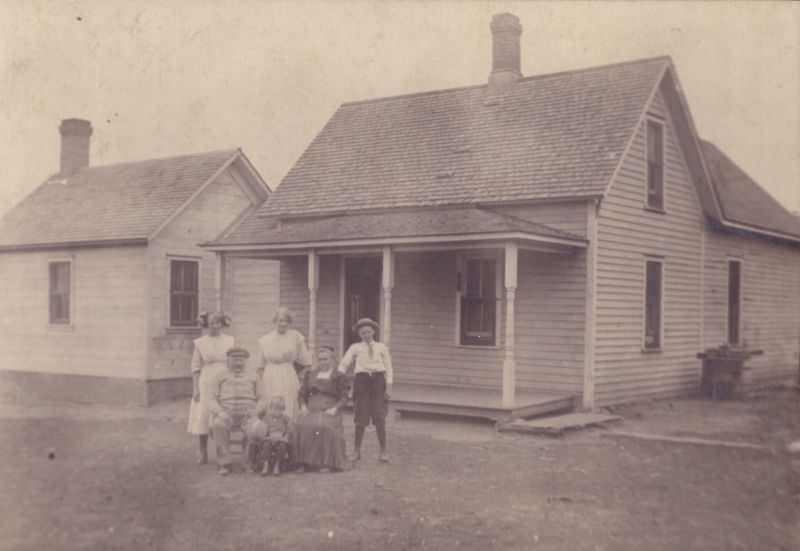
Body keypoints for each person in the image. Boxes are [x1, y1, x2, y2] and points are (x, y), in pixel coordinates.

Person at [338, 318, 393, 463]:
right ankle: (356, 450)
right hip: (362, 381)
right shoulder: (355, 347)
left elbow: (389, 367)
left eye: (368, 332)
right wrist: (337, 377)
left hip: (378, 381)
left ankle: (383, 450)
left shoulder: (382, 347)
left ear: (373, 332)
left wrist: (389, 386)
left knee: (379, 416)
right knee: (360, 417)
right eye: (363, 333)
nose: (366, 335)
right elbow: (344, 363)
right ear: (359, 334)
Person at [208, 347, 268, 476]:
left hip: (248, 413)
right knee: (218, 425)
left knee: (256, 427)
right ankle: (224, 463)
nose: (238, 362)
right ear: (228, 360)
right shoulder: (220, 376)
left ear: (245, 361)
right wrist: (220, 412)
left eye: (241, 359)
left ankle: (248, 462)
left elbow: (263, 398)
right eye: (235, 359)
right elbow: (211, 399)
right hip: (226, 413)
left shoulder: (254, 376)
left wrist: (256, 411)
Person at [187, 311, 234, 465]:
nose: (215, 326)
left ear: (222, 324)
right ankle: (202, 450)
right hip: (206, 381)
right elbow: (195, 366)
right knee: (204, 415)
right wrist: (196, 389)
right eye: (212, 323)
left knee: (221, 415)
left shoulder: (229, 340)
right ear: (206, 324)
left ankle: (222, 452)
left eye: (218, 322)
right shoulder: (200, 342)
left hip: (224, 380)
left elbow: (233, 362)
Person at [293, 346, 350, 472]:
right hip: (312, 406)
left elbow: (344, 397)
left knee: (323, 426)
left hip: (330, 407)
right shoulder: (311, 374)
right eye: (320, 359)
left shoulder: (339, 375)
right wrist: (303, 406)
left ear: (332, 359)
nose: (323, 362)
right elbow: (302, 393)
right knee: (301, 424)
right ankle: (303, 462)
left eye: (326, 359)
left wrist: (335, 408)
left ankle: (326, 462)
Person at [256, 307, 312, 420]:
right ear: (275, 321)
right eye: (279, 320)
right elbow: (260, 365)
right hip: (270, 375)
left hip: (288, 374)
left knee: (288, 401)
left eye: (285, 321)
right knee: (270, 401)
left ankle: (288, 431)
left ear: (289, 322)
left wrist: (301, 374)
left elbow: (307, 361)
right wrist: (262, 382)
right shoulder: (265, 339)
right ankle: (270, 431)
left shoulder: (295, 336)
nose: (282, 323)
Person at [259, 396, 293, 477]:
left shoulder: (285, 418)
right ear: (270, 409)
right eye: (275, 409)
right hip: (269, 437)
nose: (277, 412)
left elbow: (290, 428)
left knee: (283, 446)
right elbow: (263, 429)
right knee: (266, 445)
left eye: (280, 409)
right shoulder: (266, 418)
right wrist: (266, 436)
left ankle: (277, 465)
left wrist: (285, 436)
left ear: (283, 410)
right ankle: (266, 464)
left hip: (281, 438)